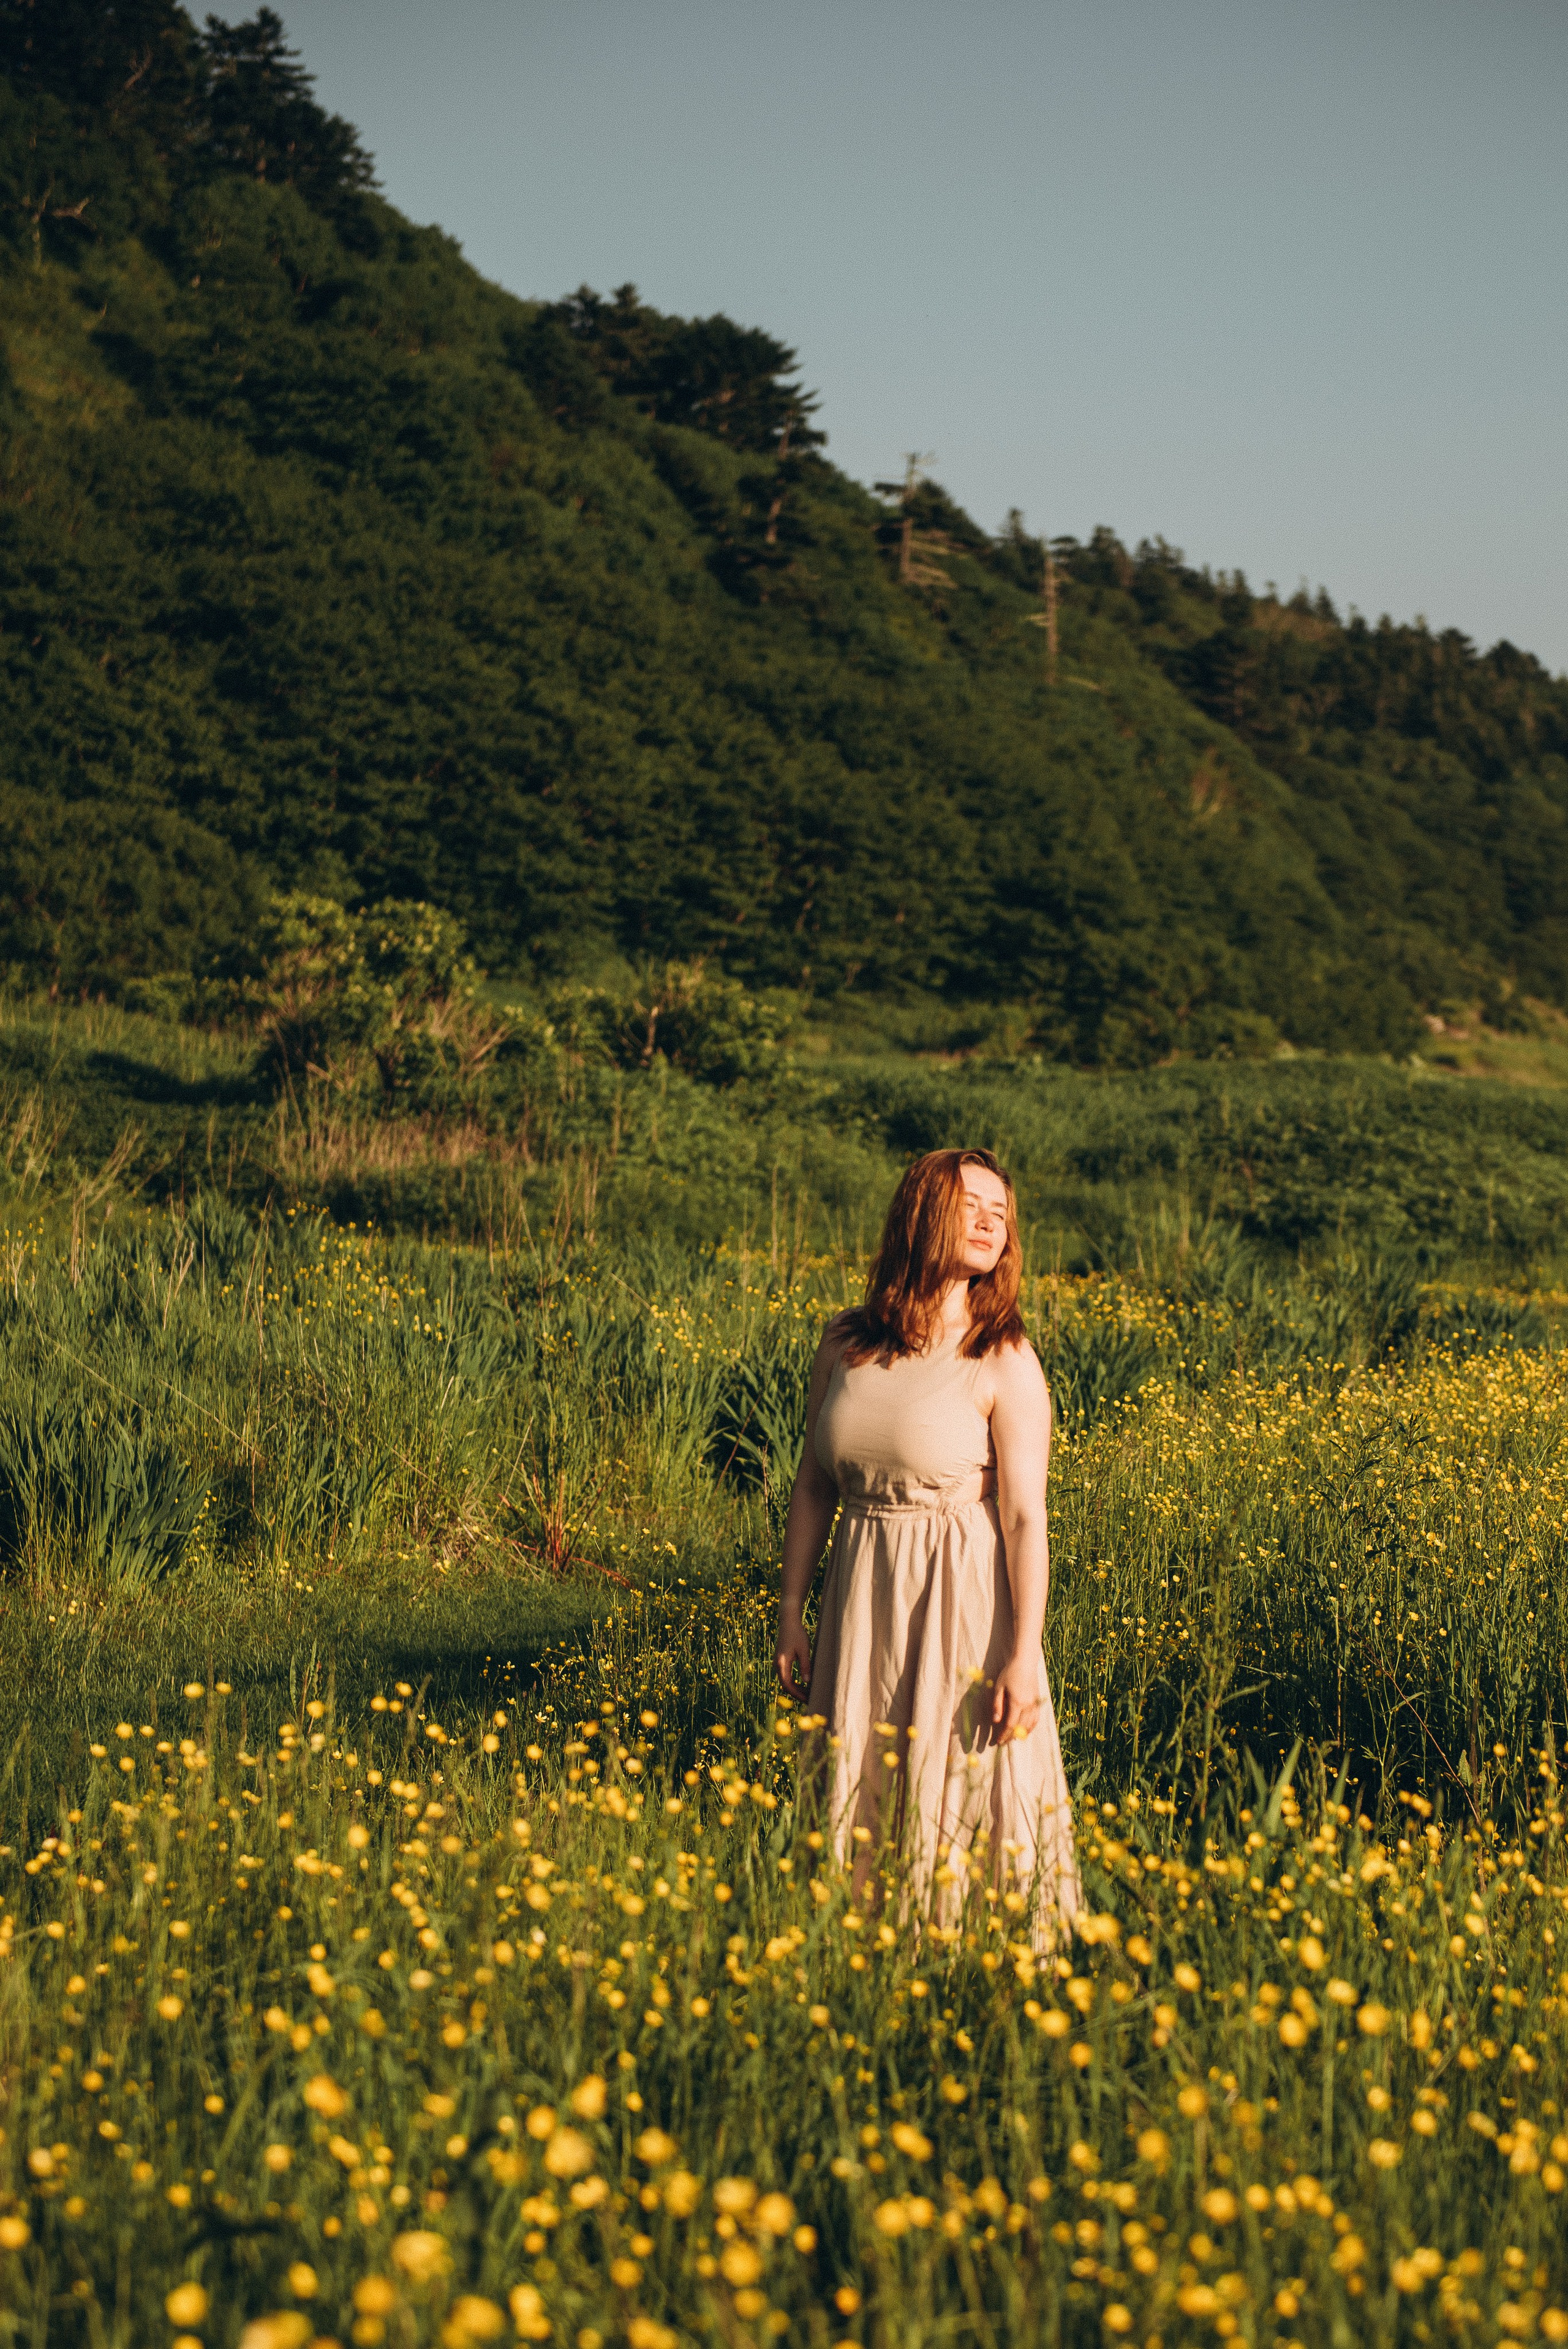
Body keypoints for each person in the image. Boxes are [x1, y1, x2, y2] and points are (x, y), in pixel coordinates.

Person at [774, 1147, 1079, 1947]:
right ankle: (859, 1939)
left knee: (963, 1771)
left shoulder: (1001, 1356)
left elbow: (1023, 1518)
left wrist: (1023, 1654)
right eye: (970, 1202)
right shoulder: (845, 1342)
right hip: (862, 1584)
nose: (990, 1221)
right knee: (862, 1761)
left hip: (963, 1593)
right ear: (920, 1211)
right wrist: (790, 1614)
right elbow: (813, 1484)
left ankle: (978, 1950)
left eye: (1001, 1212)